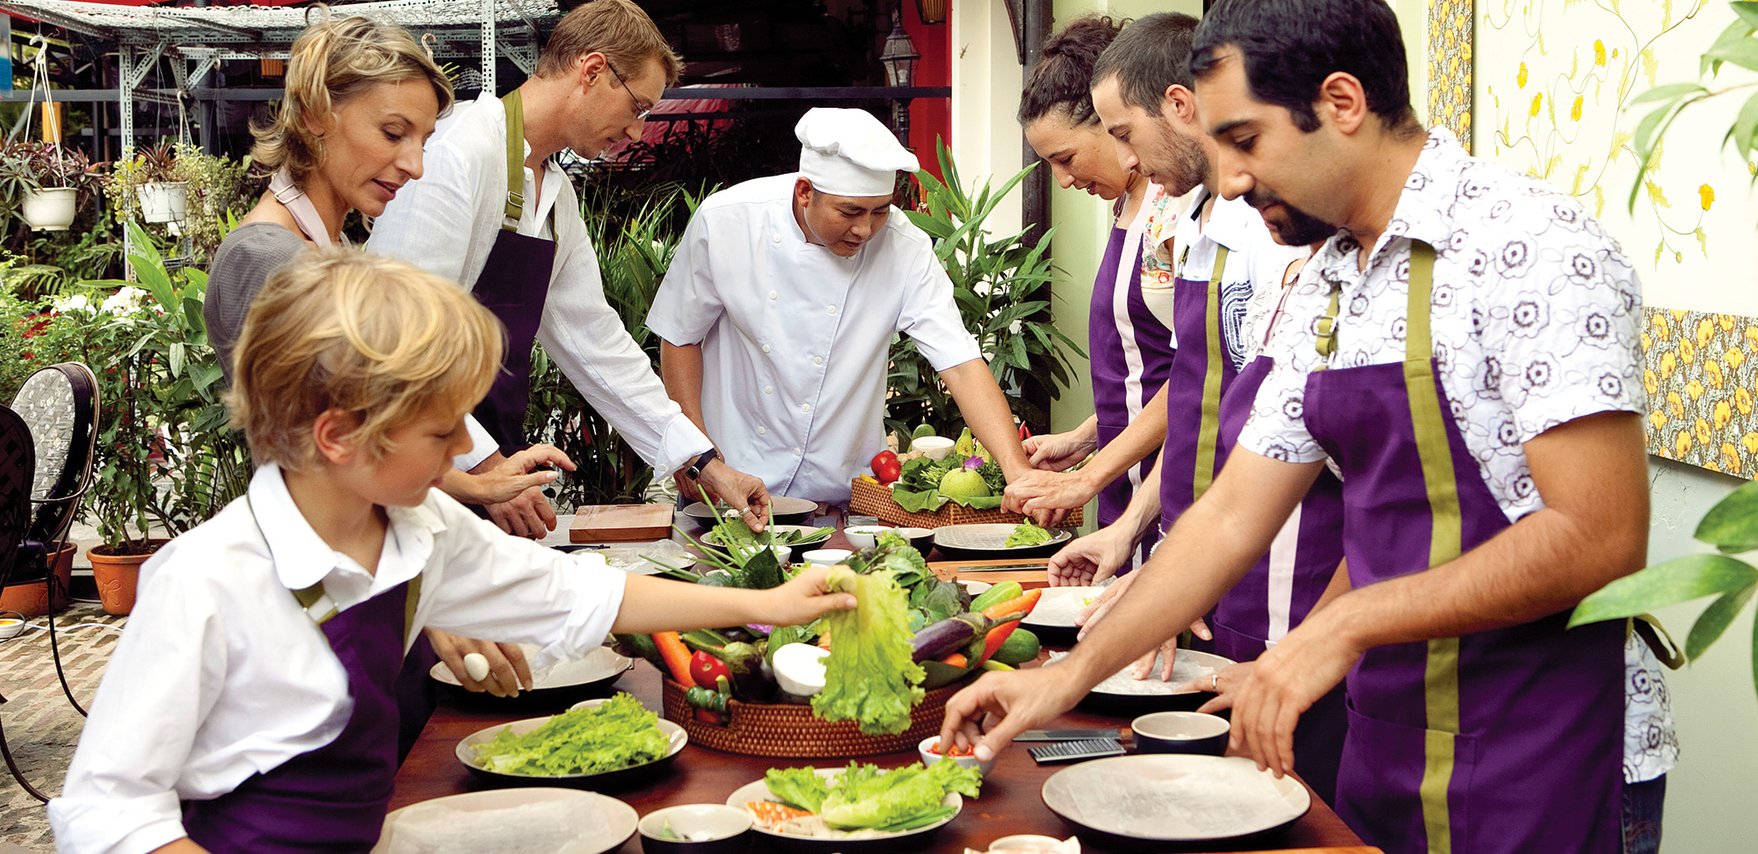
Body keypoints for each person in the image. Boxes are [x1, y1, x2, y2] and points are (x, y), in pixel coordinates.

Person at [942, 2, 1665, 852]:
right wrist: (1066, 676)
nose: (1235, 180)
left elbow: (1599, 537)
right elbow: (1230, 514)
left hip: (1544, 747)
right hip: (1388, 729)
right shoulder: (1329, 281)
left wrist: (1341, 625)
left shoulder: (1530, 246)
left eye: (1246, 141)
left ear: (1343, 102)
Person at [47, 250, 857, 853]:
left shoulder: (416, 527)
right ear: (339, 436)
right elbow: (107, 808)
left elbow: (580, 595)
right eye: (442, 429)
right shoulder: (206, 579)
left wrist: (768, 606)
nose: (470, 444)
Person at [367, 0, 771, 535]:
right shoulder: (457, 152)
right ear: (593, 70)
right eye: (638, 108)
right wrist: (485, 469)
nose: (636, 133)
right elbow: (392, 342)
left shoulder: (553, 191)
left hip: (490, 466)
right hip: (418, 473)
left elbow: (595, 341)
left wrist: (701, 462)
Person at [644, 107, 1035, 505]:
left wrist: (1015, 469)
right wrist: (698, 453)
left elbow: (960, 362)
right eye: (850, 212)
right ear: (805, 192)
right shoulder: (728, 222)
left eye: (880, 210)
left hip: (843, 493)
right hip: (731, 481)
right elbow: (680, 337)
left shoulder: (905, 248)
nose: (865, 229)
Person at [1017, 16, 1182, 570]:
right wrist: (1088, 436)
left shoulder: (1174, 211)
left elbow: (1198, 374)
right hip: (1122, 483)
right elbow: (1147, 364)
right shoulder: (1125, 208)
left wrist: (1090, 474)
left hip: (1169, 488)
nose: (1062, 181)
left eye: (1066, 158)